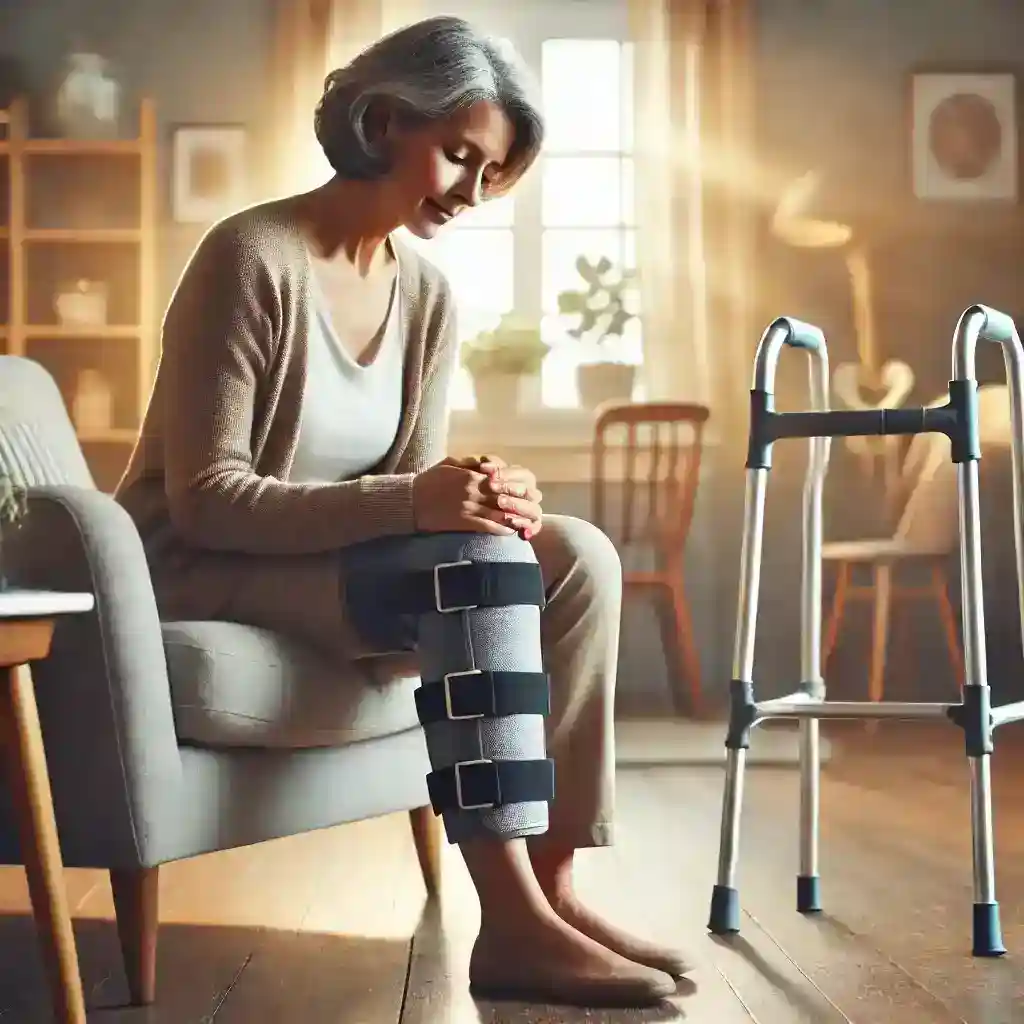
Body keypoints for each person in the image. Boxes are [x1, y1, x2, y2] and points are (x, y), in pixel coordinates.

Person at [116, 15, 689, 1009]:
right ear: (383, 121)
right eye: (457, 156)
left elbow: (420, 503)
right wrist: (427, 504)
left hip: (322, 565)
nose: (472, 192)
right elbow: (206, 501)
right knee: (473, 564)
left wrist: (480, 496)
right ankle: (505, 925)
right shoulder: (250, 257)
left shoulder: (424, 293)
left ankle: (550, 890)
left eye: (490, 171)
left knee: (578, 554)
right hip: (197, 562)